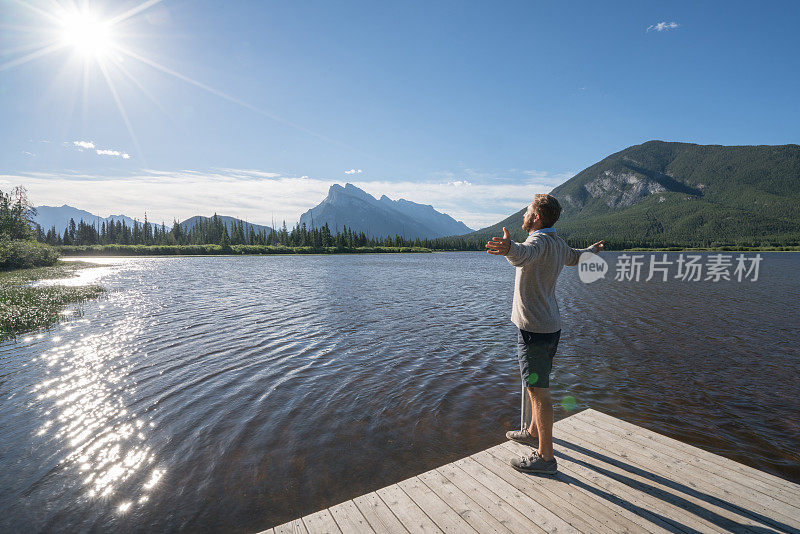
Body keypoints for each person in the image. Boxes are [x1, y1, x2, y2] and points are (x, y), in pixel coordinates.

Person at [485, 193, 603, 474]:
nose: (524, 215)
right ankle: (533, 432)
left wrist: (509, 247)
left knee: (539, 391)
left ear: (536, 217)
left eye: (527, 211)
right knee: (534, 384)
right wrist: (592, 250)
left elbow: (523, 254)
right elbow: (576, 257)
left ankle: (546, 458)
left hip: (533, 333)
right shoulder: (559, 244)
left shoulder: (535, 242)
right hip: (550, 328)